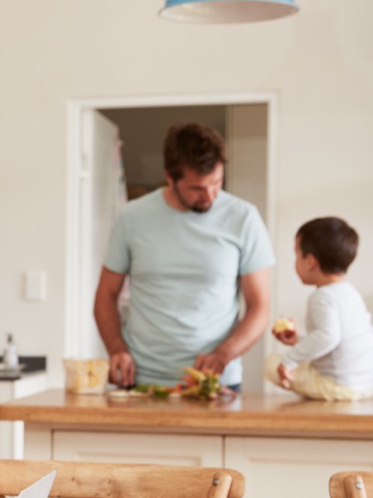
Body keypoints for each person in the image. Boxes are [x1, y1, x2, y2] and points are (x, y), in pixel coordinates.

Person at [93, 122, 275, 390]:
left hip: (214, 385)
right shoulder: (133, 217)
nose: (210, 195)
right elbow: (105, 295)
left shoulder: (244, 218)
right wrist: (116, 348)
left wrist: (223, 355)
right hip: (142, 381)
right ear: (169, 176)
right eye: (196, 188)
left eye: (216, 182)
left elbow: (260, 306)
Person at [265, 216, 373, 401]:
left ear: (309, 262)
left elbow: (329, 337)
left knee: (271, 363)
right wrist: (300, 340)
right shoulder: (350, 292)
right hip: (370, 381)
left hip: (341, 386)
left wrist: (289, 361)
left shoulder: (321, 297)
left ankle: (325, 393)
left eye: (296, 254)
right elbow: (333, 338)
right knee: (304, 362)